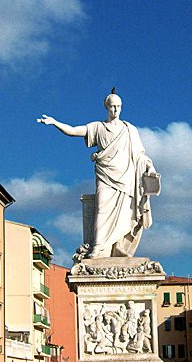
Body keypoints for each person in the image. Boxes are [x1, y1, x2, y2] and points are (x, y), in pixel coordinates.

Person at [38, 90, 158, 259]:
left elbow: (139, 155)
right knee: (101, 208)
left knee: (125, 212)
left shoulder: (130, 130)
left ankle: (118, 248)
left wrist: (149, 167)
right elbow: (73, 131)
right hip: (106, 174)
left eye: (118, 107)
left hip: (127, 177)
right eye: (112, 107)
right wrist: (55, 122)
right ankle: (98, 247)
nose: (115, 110)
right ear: (106, 107)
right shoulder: (98, 127)